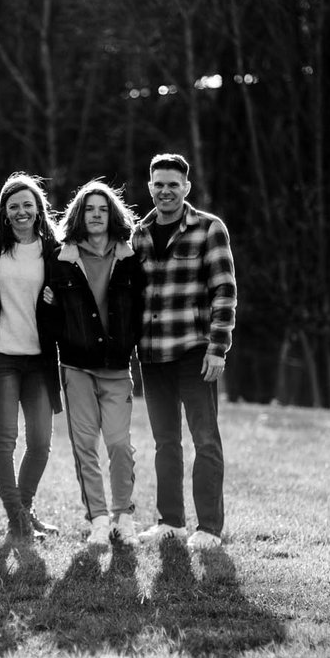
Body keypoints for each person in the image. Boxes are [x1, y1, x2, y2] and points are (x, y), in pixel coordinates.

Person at [132, 152, 237, 552]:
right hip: (153, 355)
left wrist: (218, 348)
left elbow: (224, 291)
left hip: (195, 351)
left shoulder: (209, 229)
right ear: (150, 187)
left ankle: (209, 528)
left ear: (186, 187)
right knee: (165, 443)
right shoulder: (139, 235)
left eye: (173, 184)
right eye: (158, 184)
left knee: (205, 439)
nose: (165, 191)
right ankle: (170, 522)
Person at [45, 180, 145, 547]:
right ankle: (99, 520)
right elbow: (50, 312)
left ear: (112, 214)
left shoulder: (129, 258)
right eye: (90, 209)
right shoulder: (63, 258)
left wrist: (129, 345)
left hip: (117, 367)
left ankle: (124, 517)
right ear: (79, 215)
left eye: (103, 209)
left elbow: (138, 312)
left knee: (119, 444)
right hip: (76, 367)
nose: (97, 215)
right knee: (84, 444)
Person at [0, 173, 62, 542]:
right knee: (5, 441)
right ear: (5, 212)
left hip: (39, 360)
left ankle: (23, 509)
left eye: (28, 204)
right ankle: (17, 520)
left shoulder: (53, 250)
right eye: (14, 206)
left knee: (41, 441)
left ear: (39, 209)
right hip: (1, 359)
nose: (22, 211)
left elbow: (68, 297)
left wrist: (56, 300)